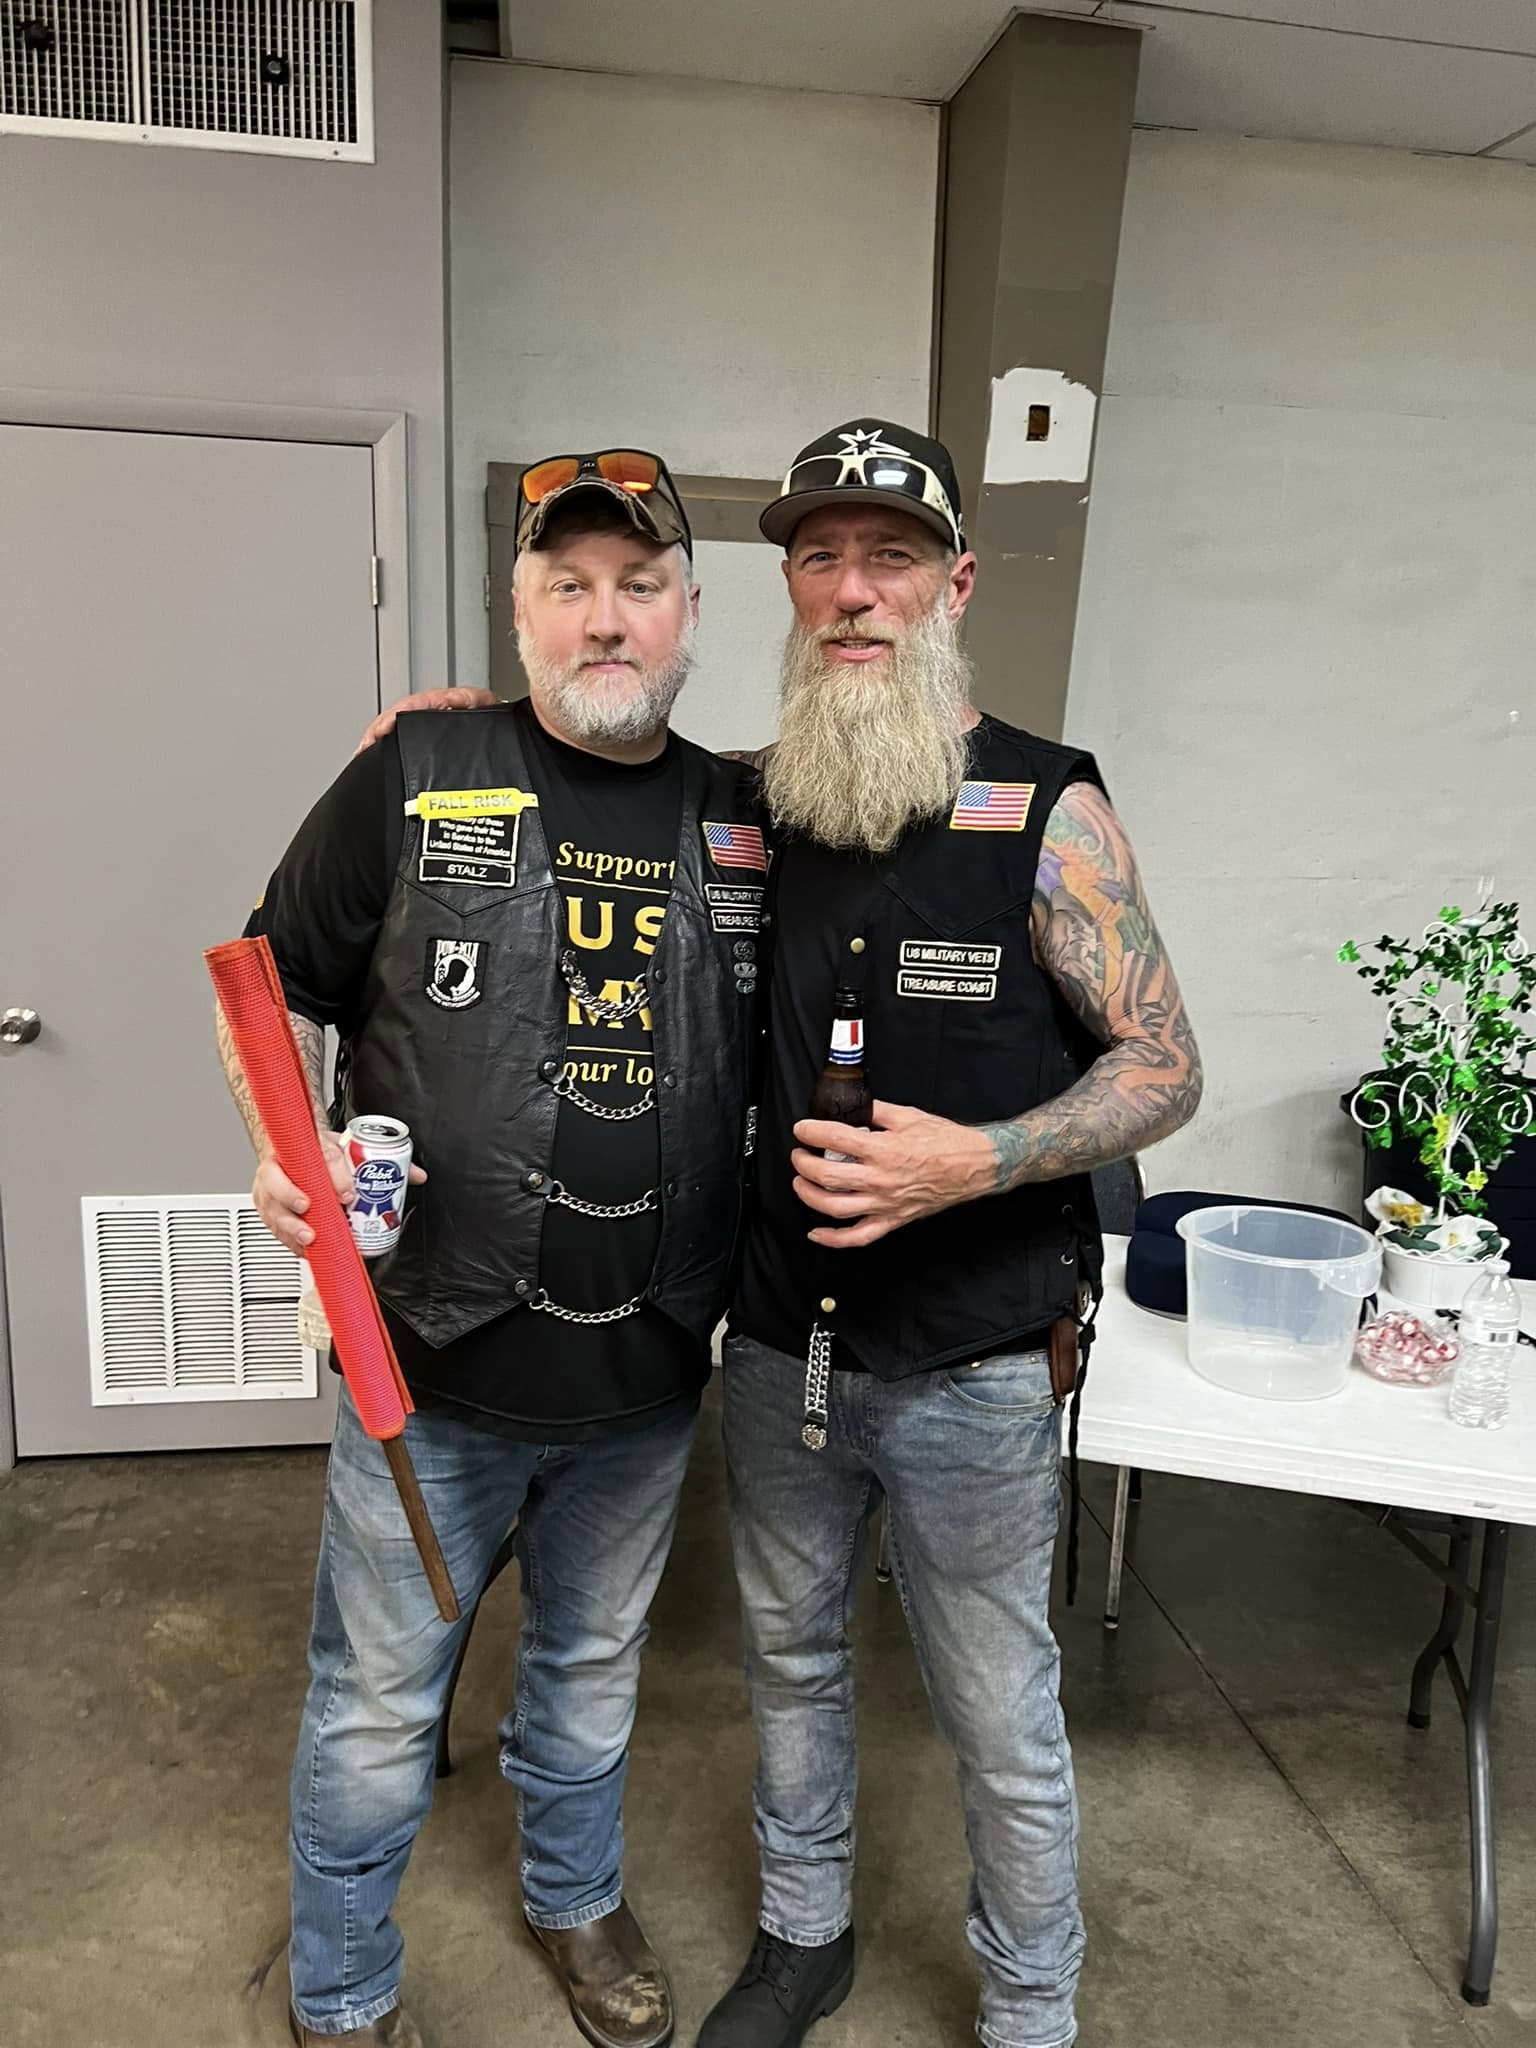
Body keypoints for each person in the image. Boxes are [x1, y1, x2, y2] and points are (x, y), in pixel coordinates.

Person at [366, 418, 1202, 2048]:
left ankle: (1032, 2009)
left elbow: (1164, 1066)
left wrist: (979, 1160)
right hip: (781, 1353)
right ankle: (803, 1940)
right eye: (820, 557)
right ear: (793, 588)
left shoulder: (1050, 806)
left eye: (891, 556)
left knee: (1000, 1714)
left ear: (956, 582)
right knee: (794, 1668)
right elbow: (595, 752)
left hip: (975, 1366)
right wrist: (458, 734)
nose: (853, 590)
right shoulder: (760, 805)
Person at [218, 448, 767, 2048]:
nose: (605, 619)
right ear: (517, 609)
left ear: (687, 613)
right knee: (379, 1703)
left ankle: (574, 1898)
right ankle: (340, 1988)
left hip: (646, 1371)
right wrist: (284, 1150)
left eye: (639, 587)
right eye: (567, 585)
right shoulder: (414, 771)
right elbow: (269, 979)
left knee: (592, 1676)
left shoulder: (747, 816)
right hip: (431, 1366)